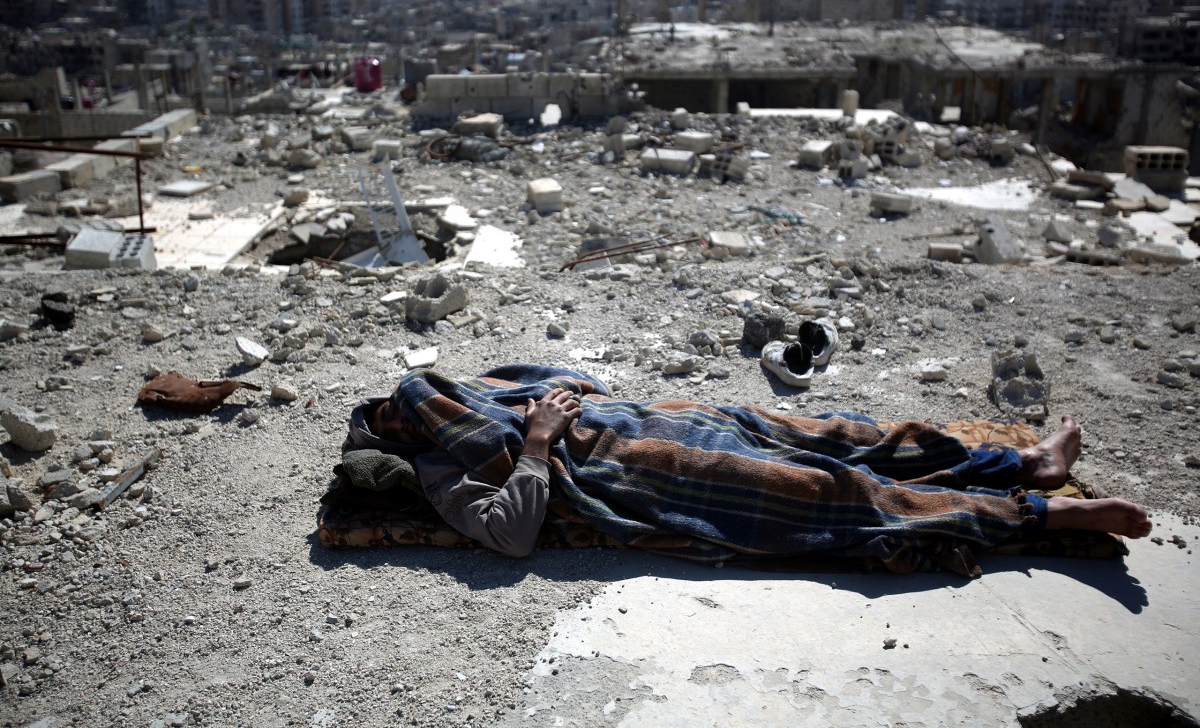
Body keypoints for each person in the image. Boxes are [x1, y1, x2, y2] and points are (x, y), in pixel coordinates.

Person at [345, 366, 1151, 572]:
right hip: (646, 472)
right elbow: (511, 535)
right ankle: (1037, 514)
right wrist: (537, 443)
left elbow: (560, 376)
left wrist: (557, 397)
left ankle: (1021, 462)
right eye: (398, 416)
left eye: (406, 399)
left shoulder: (483, 391)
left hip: (673, 420)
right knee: (835, 494)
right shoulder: (444, 474)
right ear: (398, 439)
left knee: (843, 435)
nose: (412, 407)